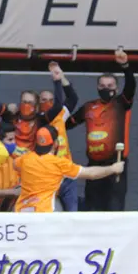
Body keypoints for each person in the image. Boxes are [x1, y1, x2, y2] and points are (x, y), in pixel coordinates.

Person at [66, 50, 135, 211]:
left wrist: (125, 66)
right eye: (102, 85)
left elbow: (131, 85)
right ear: (97, 87)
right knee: (92, 207)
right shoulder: (89, 106)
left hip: (116, 163)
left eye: (110, 86)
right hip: (93, 166)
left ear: (116, 88)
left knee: (114, 208)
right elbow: (67, 124)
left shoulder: (122, 103)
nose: (106, 88)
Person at [14, 126, 123, 212]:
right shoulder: (59, 163)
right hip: (44, 212)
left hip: (21, 212)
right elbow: (91, 174)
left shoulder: (24, 159)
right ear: (56, 143)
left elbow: (15, 164)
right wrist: (113, 168)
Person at [0, 62, 69, 156]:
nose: (26, 105)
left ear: (36, 106)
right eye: (24, 102)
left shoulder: (41, 120)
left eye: (30, 103)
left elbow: (58, 106)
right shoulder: (11, 115)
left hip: (29, 163)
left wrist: (57, 80)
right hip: (10, 163)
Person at [44, 62, 79, 211]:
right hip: (47, 175)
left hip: (66, 174)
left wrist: (61, 77)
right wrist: (56, 82)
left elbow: (73, 98)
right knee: (50, 212)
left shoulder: (60, 116)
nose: (48, 103)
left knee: (72, 213)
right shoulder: (40, 120)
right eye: (43, 100)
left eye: (50, 100)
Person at [0, 122, 20, 212]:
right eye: (10, 140)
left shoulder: (15, 159)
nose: (14, 143)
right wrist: (12, 193)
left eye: (14, 139)